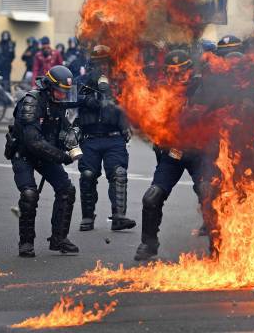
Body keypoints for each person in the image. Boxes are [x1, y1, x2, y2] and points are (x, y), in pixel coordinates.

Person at [134, 50, 212, 261]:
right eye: (171, 72)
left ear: (189, 70)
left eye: (180, 71)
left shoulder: (204, 87)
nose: (176, 76)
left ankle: (219, 244)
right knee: (152, 197)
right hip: (174, 153)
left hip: (200, 152)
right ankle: (148, 244)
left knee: (209, 192)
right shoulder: (161, 91)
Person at [5, 65, 80, 257]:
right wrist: (61, 157)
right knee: (30, 194)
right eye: (59, 91)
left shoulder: (56, 101)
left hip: (45, 155)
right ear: (48, 86)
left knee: (67, 189)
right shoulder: (31, 102)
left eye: (66, 92)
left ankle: (59, 239)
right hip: (24, 154)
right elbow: (33, 142)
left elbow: (65, 127)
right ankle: (26, 242)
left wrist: (71, 139)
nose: (63, 95)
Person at [75, 45, 135, 232]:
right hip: (90, 137)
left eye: (105, 63)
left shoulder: (120, 81)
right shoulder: (83, 81)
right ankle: (87, 217)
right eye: (98, 63)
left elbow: (132, 102)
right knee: (87, 175)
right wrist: (87, 99)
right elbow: (68, 96)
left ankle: (119, 217)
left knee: (118, 174)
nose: (102, 67)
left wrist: (113, 95)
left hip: (114, 137)